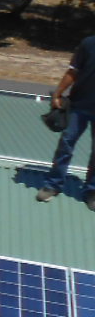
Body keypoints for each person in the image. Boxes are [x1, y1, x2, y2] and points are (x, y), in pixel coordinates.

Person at [38, 37, 95, 207]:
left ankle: (91, 191)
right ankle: (53, 184)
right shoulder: (88, 44)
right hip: (79, 106)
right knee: (66, 144)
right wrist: (57, 94)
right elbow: (73, 71)